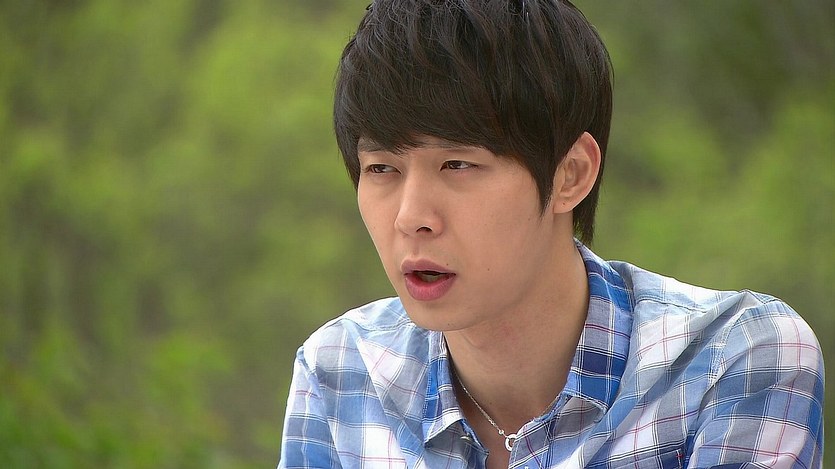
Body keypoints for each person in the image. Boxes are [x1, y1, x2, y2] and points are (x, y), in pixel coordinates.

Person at [278, 0, 824, 467]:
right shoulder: (342, 369)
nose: (411, 216)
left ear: (571, 175)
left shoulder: (732, 356)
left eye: (457, 165)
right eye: (381, 169)